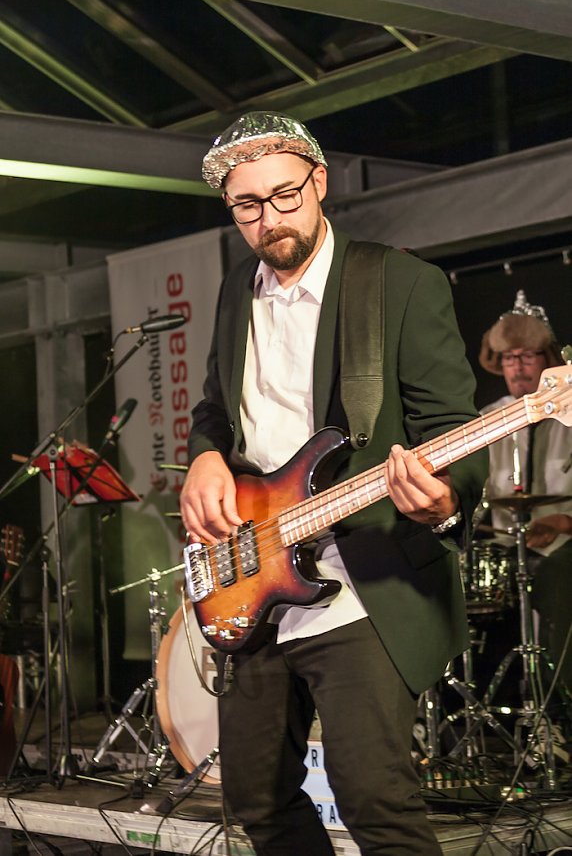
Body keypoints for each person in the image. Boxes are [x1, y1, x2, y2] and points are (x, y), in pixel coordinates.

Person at [179, 111, 487, 855]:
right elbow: (217, 411)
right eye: (247, 206)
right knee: (256, 803)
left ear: (320, 182)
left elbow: (454, 426)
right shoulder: (233, 293)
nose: (269, 219)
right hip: (253, 579)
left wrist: (445, 501)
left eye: (285, 196)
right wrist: (203, 456)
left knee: (376, 805)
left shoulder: (398, 282)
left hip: (360, 583)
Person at [478, 291, 572, 717]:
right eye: (509, 357)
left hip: (561, 545)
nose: (516, 366)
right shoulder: (486, 418)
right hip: (502, 546)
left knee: (553, 579)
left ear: (547, 358)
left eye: (527, 356)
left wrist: (563, 520)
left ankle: (554, 716)